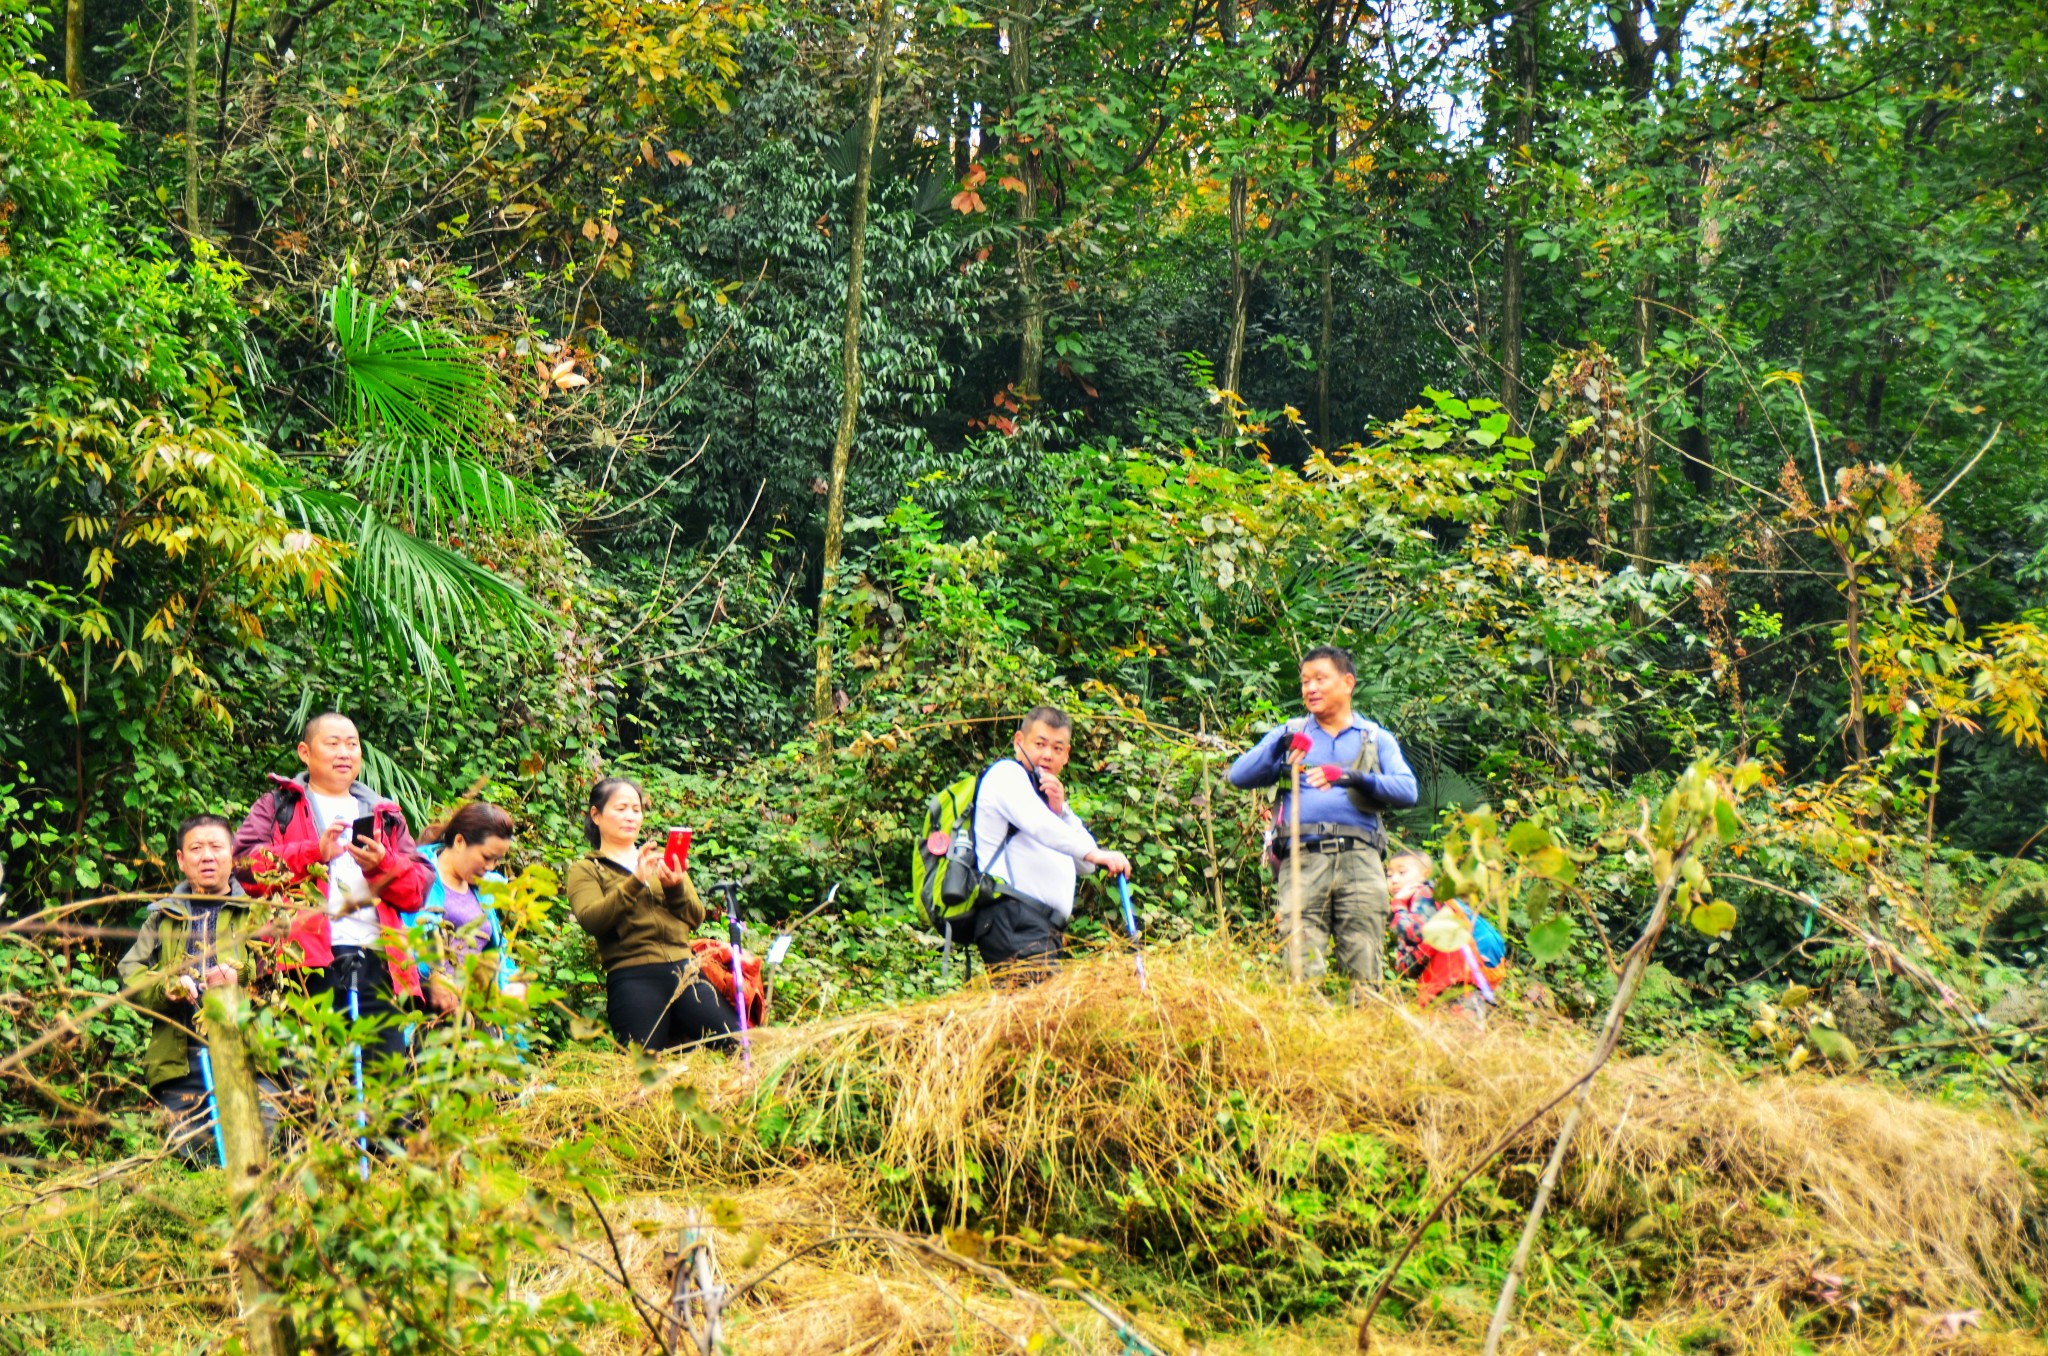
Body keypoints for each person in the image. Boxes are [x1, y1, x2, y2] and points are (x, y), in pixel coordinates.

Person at [232, 712, 434, 1064]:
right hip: (304, 966)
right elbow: (244, 869)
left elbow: (417, 891)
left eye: (352, 744)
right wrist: (314, 853)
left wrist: (382, 865)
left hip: (379, 960)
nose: (345, 752)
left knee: (384, 1088)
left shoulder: (384, 813)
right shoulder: (278, 806)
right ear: (305, 753)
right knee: (315, 1086)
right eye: (333, 743)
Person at [1228, 646, 1418, 987]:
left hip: (1361, 858)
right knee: (1300, 961)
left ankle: (1361, 1034)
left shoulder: (1375, 738)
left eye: (1320, 679)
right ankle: (1305, 1034)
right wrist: (1278, 746)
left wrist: (1352, 778)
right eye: (1304, 682)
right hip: (1302, 858)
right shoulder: (1292, 732)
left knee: (1363, 958)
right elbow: (1238, 776)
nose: (1310, 688)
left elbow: (1407, 791)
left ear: (1347, 683)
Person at [119, 815, 283, 1163]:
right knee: (193, 1160)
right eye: (196, 849)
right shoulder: (162, 916)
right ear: (181, 859)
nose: (207, 857)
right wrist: (166, 987)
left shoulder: (258, 914)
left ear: (232, 856)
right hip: (182, 1060)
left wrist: (244, 975)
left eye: (216, 847)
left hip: (249, 1053)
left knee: (255, 1156)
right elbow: (130, 973)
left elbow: (283, 970)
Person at [565, 778, 738, 1052]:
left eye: (636, 809)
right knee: (643, 1075)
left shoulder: (662, 860)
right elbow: (592, 919)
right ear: (596, 815)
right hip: (633, 977)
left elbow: (695, 917)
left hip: (686, 970)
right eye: (621, 808)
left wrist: (675, 886)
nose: (630, 816)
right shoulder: (586, 869)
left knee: (740, 1046)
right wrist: (635, 881)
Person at [967, 706, 1132, 977]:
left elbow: (1085, 865)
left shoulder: (1046, 801)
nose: (1047, 755)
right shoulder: (1006, 774)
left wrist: (1061, 810)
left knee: (1033, 1015)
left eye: (1057, 748)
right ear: (1019, 742)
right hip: (1014, 918)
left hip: (1042, 930)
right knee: (1046, 1013)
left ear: (1066, 755)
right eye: (1040, 744)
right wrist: (1097, 853)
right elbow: (1039, 825)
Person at [410, 802, 524, 1010]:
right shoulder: (418, 875)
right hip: (424, 1008)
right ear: (460, 841)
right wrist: (433, 976)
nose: (490, 867)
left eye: (497, 860)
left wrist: (513, 983)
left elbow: (498, 951)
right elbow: (404, 937)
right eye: (487, 857)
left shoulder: (485, 890)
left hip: (471, 1012)